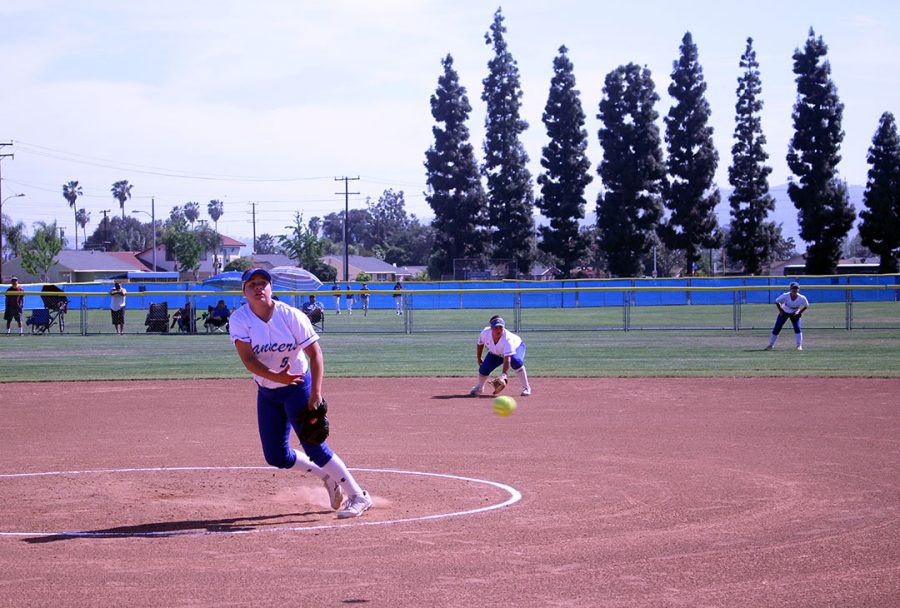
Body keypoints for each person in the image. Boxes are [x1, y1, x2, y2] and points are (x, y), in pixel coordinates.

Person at [229, 268, 372, 518]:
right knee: (275, 455)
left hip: (298, 388)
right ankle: (326, 476)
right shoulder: (240, 319)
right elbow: (249, 360)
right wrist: (277, 377)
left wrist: (315, 392)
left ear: (272, 288)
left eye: (263, 283)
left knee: (314, 445)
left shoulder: (291, 315)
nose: (258, 287)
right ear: (244, 290)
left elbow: (315, 354)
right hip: (268, 391)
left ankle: (358, 495)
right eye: (252, 284)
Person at [470, 315, 532, 397]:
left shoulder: (508, 339)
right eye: (496, 327)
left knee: (516, 361)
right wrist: (479, 358)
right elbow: (480, 344)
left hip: (517, 348)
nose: (498, 329)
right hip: (497, 352)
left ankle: (526, 388)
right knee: (484, 367)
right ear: (491, 328)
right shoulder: (485, 333)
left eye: (500, 327)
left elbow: (507, 359)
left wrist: (504, 375)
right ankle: (479, 387)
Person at [765, 281, 810, 351]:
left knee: (797, 328)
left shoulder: (802, 298)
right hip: (785, 311)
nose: (795, 290)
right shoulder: (786, 295)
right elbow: (777, 301)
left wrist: (799, 313)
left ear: (799, 289)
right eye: (793, 288)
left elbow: (806, 305)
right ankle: (771, 345)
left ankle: (799, 346)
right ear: (790, 289)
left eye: (796, 288)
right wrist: (781, 310)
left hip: (795, 312)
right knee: (777, 328)